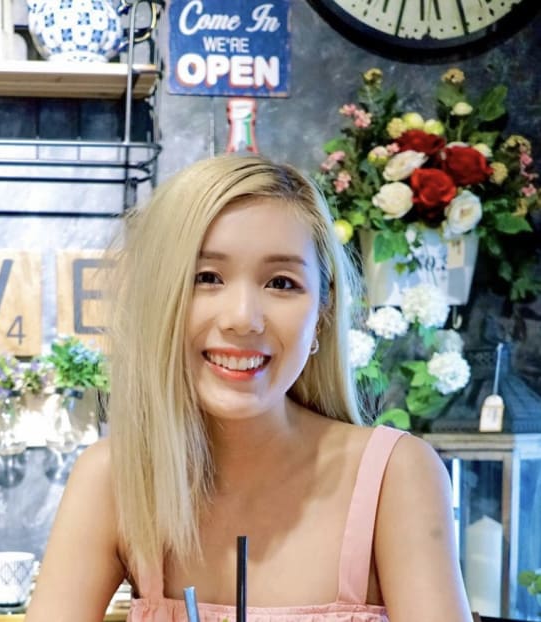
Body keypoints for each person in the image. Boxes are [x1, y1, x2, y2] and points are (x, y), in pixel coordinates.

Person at [26, 154, 472, 622]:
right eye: (206, 278)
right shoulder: (114, 479)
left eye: (281, 282)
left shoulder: (395, 476)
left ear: (322, 313)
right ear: (158, 298)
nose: (242, 318)